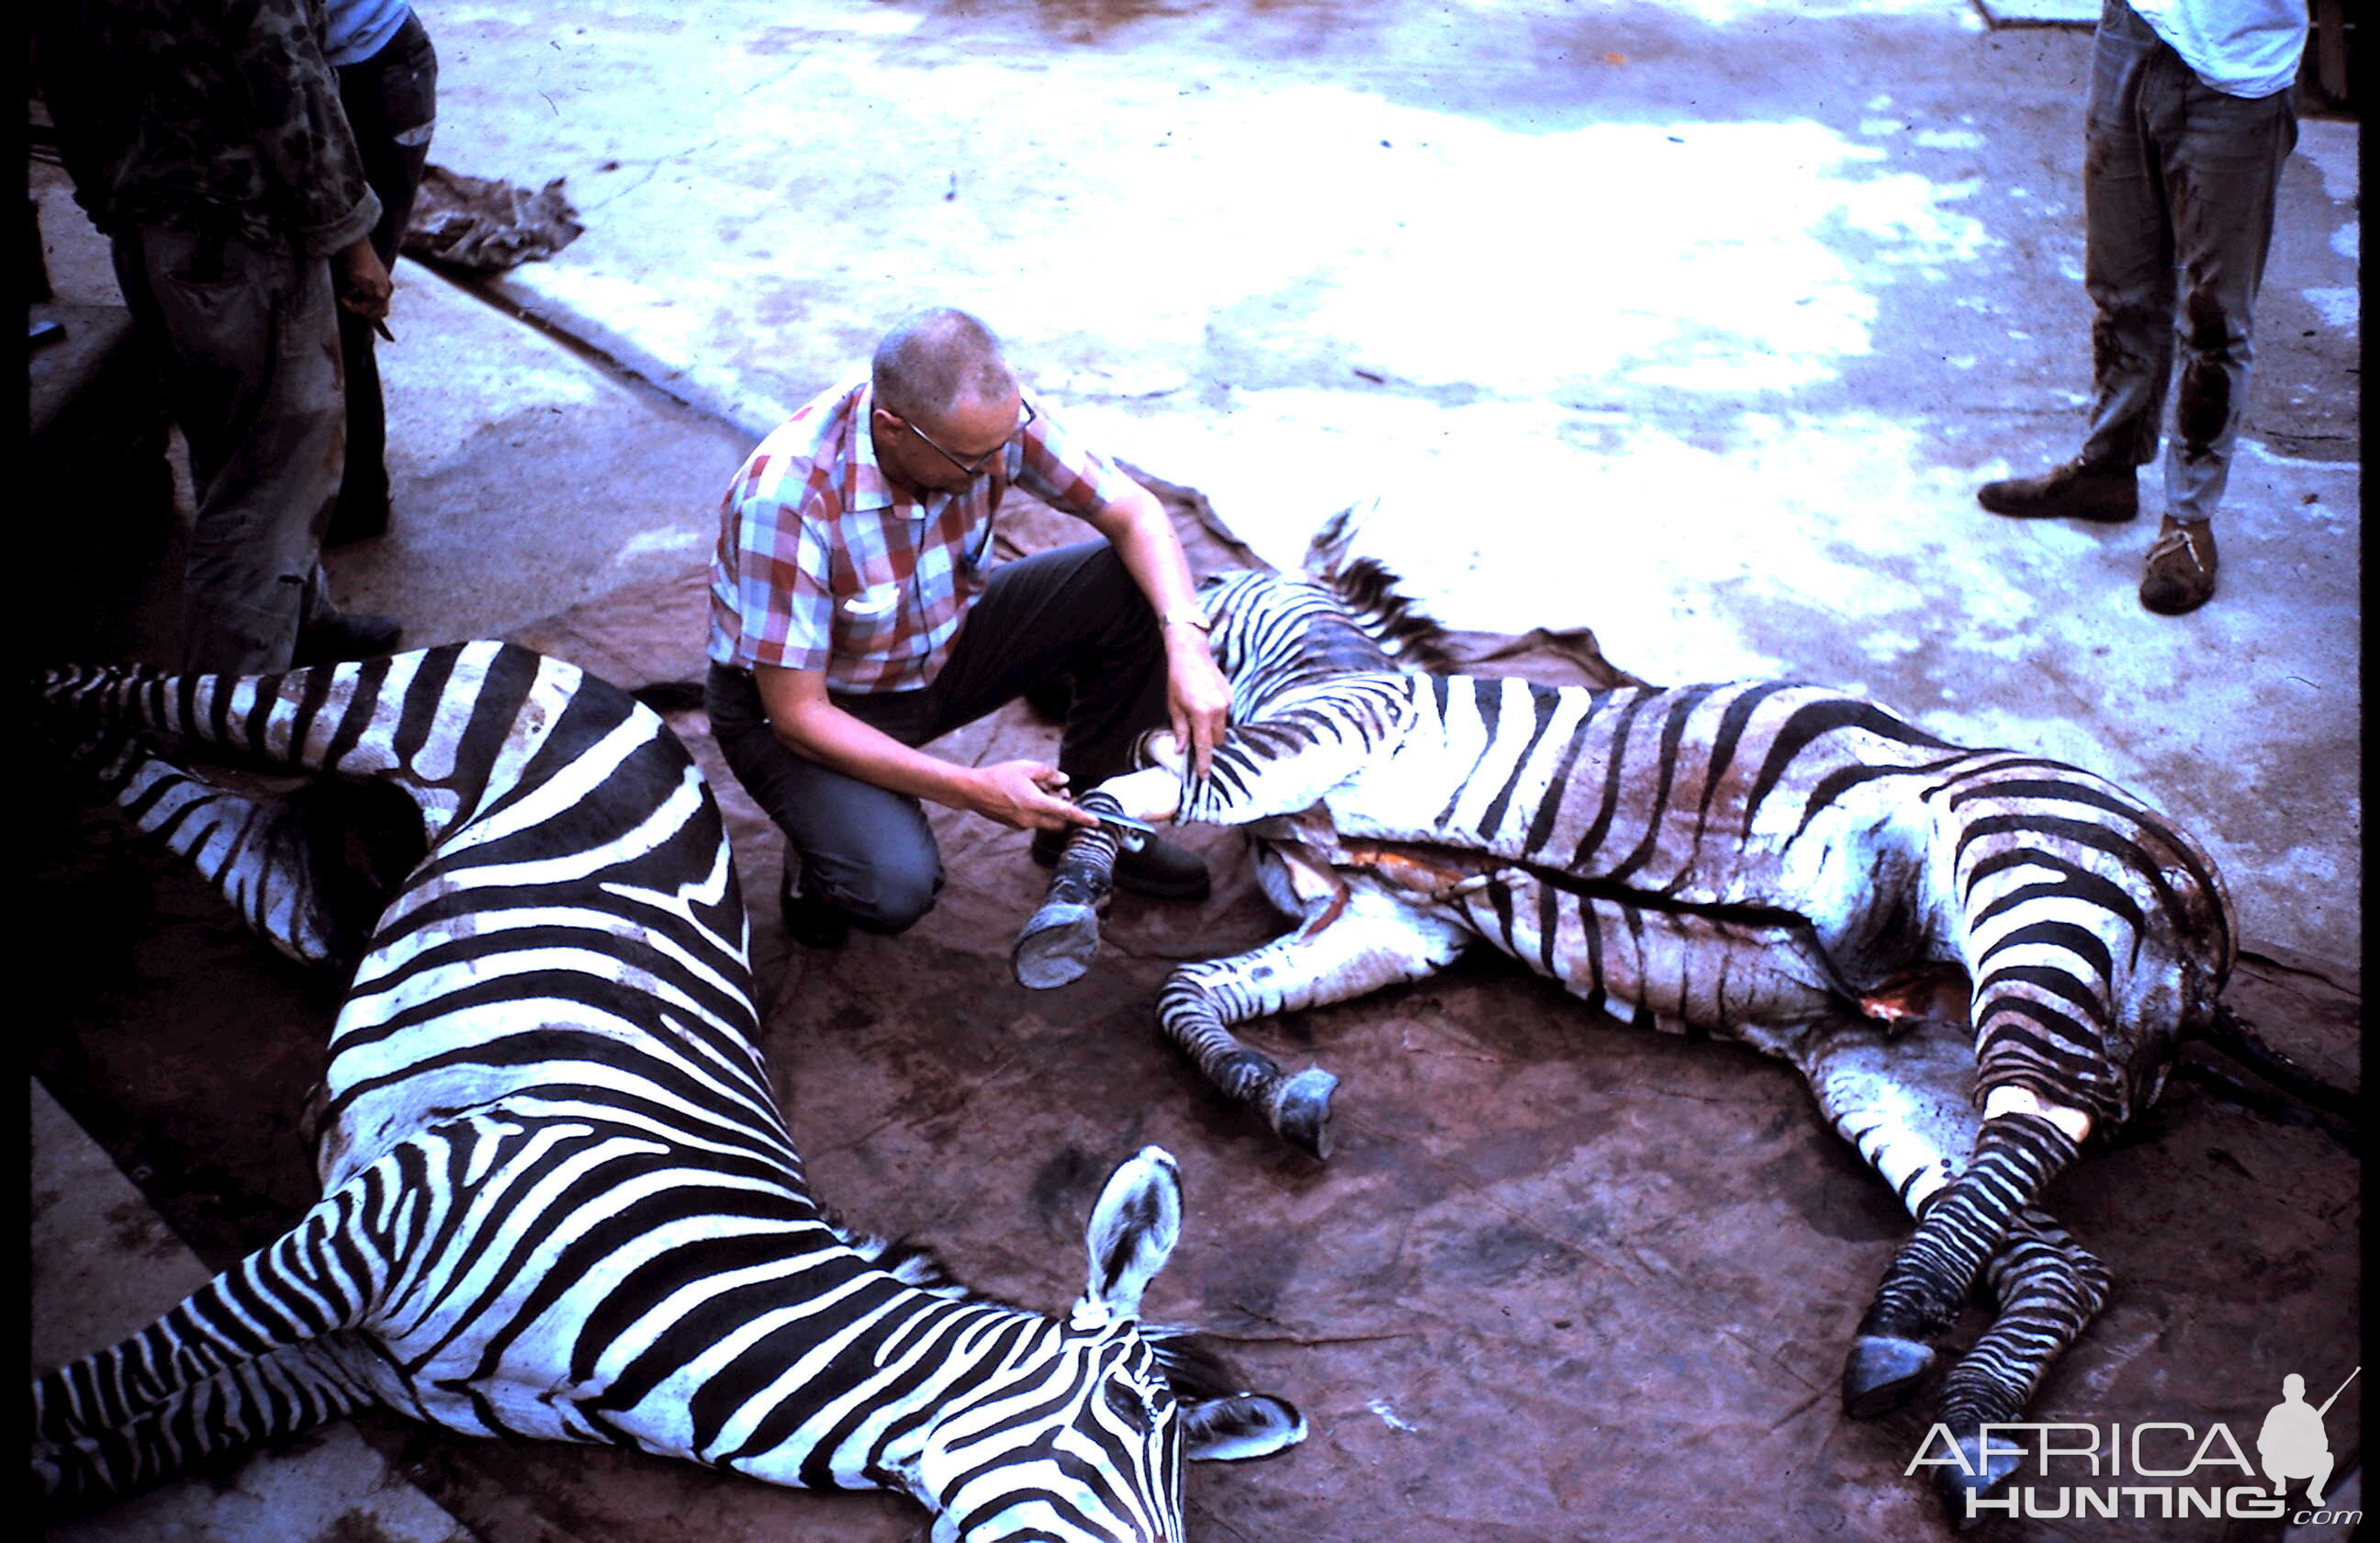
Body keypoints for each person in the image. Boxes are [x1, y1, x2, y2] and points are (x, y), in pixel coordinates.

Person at [705, 309, 1233, 947]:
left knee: (1139, 586)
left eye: (1002, 446)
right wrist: (971, 789)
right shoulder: (786, 500)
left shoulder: (988, 423)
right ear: (891, 429)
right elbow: (799, 715)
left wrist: (1188, 642)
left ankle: (1089, 822)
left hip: (933, 650)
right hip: (810, 708)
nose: (995, 469)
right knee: (892, 885)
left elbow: (1136, 513)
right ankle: (817, 862)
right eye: (970, 460)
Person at [35, 0, 405, 674]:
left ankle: (297, 622)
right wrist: (354, 246)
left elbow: (58, 75)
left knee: (235, 448)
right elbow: (292, 93)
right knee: (272, 471)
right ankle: (235, 693)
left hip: (158, 234)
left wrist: (109, 204)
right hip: (242, 238)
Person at [1976, 0, 2307, 616]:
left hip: (2234, 58)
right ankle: (2107, 465)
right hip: (2133, 27)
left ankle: (2189, 521)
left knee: (2214, 320)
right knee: (2120, 281)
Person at [324, 0, 439, 546]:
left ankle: (359, 503)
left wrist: (354, 246)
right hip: (322, 72)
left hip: (373, 70)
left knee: (345, 313)